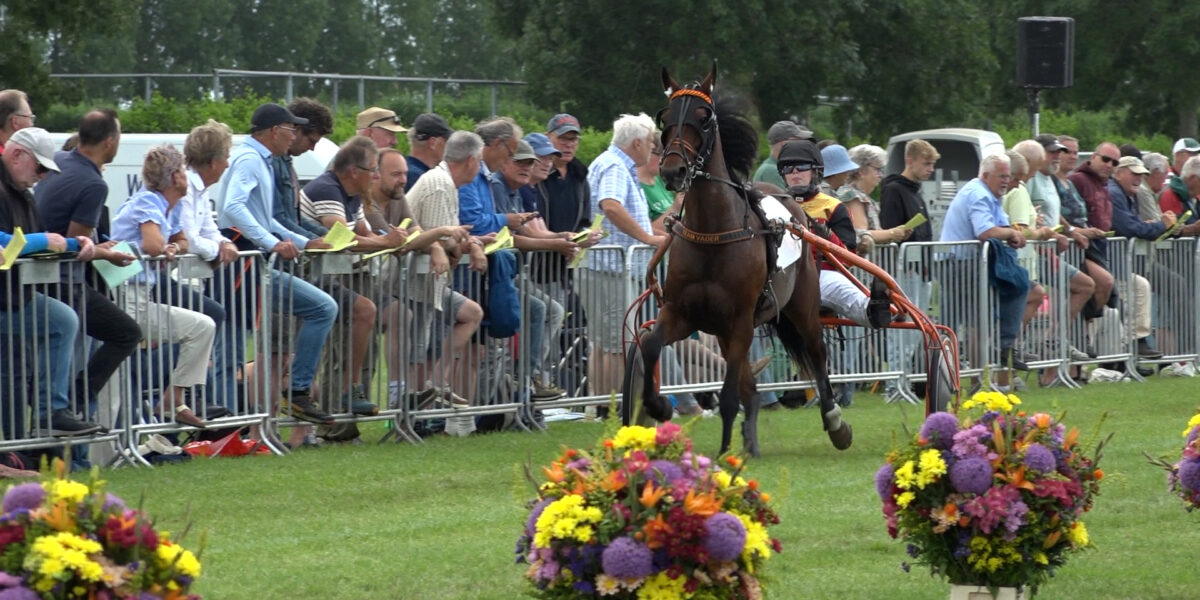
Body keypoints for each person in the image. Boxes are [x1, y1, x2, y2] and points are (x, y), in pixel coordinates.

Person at [216, 102, 337, 425]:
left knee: (232, 346)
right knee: (229, 348)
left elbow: (265, 218)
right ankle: (230, 426)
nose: (293, 135)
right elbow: (234, 207)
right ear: (274, 131)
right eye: (290, 129)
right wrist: (272, 243)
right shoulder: (250, 160)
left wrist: (304, 242)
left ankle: (283, 399)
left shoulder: (259, 159)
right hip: (242, 263)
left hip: (251, 262)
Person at [34, 109, 143, 412]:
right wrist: (110, 253)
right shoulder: (94, 184)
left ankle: (67, 403)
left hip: (42, 275)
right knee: (128, 333)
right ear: (110, 141)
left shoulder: (62, 160)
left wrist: (99, 246)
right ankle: (79, 398)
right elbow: (78, 246)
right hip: (65, 283)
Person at [0, 126, 104, 437]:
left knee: (62, 320)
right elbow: (9, 243)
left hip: (13, 298)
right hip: (7, 300)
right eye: (41, 167)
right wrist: (42, 240)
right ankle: (48, 413)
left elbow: (43, 241)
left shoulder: (21, 194)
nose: (43, 176)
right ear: (18, 154)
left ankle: (51, 412)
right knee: (62, 321)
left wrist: (78, 245)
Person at [110, 144, 216, 428]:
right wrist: (167, 248)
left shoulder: (173, 204)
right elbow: (152, 244)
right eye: (182, 169)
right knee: (200, 327)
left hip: (140, 294)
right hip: (124, 293)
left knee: (203, 326)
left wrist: (171, 247)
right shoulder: (148, 201)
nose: (186, 174)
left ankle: (173, 399)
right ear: (173, 177)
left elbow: (181, 242)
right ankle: (164, 404)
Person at [407, 130, 489, 436]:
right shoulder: (440, 185)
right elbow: (445, 238)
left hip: (430, 282)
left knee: (470, 313)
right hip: (416, 282)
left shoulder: (446, 183)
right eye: (479, 161)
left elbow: (455, 236)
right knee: (417, 347)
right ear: (470, 161)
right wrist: (467, 246)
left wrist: (473, 243)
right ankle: (414, 415)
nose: (480, 168)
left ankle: (435, 387)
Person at [585, 113, 666, 397]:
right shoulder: (616, 167)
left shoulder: (613, 164)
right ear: (636, 143)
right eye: (649, 142)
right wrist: (647, 238)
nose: (652, 146)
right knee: (615, 344)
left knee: (604, 343)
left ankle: (600, 407)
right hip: (610, 268)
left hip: (607, 268)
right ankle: (616, 407)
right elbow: (611, 206)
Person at [776, 140, 891, 329]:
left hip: (821, 275)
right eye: (789, 169)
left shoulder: (833, 207)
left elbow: (848, 259)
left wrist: (828, 235)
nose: (795, 173)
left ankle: (871, 311)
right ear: (783, 174)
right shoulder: (773, 204)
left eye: (802, 167)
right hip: (782, 274)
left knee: (842, 290)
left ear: (815, 171)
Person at [490, 140, 573, 400]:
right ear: (504, 162)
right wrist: (556, 244)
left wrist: (565, 238)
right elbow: (507, 238)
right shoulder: (497, 186)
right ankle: (521, 379)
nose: (526, 168)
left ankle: (526, 377)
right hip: (493, 274)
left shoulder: (516, 190)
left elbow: (524, 230)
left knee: (549, 310)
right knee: (539, 309)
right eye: (520, 162)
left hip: (508, 273)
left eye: (529, 163)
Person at [939, 152, 1031, 376]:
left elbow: (999, 227)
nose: (1006, 182)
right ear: (986, 175)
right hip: (959, 264)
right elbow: (986, 231)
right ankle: (976, 378)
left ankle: (1001, 350)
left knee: (1018, 286)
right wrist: (1011, 232)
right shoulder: (979, 195)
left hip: (968, 263)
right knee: (975, 323)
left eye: (1008, 177)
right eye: (1001, 176)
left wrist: (1010, 232)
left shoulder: (990, 195)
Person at [177, 120, 240, 414]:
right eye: (226, 158)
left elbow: (208, 228)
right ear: (214, 161)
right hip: (171, 275)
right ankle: (186, 396)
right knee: (210, 317)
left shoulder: (198, 189)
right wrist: (219, 248)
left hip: (188, 276)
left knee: (208, 319)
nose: (227, 164)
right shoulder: (187, 188)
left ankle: (190, 395)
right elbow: (190, 238)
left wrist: (223, 244)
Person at [1108, 156, 1186, 358]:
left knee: (1136, 292)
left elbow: (1136, 225)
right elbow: (1129, 228)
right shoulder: (1116, 193)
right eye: (1134, 173)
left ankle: (1134, 349)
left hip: (1119, 261)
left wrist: (1153, 226)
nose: (1138, 178)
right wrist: (1162, 226)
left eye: (1141, 174)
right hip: (1111, 261)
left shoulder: (1128, 194)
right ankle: (1135, 345)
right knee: (1137, 290)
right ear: (1119, 173)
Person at [273, 98, 333, 239]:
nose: (312, 148)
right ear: (296, 130)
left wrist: (325, 235)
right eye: (311, 141)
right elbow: (278, 219)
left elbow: (295, 219)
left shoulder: (285, 163)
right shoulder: (273, 163)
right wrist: (313, 240)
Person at [842, 144, 910, 251]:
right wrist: (893, 233)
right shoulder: (853, 197)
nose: (881, 175)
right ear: (862, 170)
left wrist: (897, 233)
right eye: (878, 170)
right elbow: (862, 235)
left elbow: (874, 234)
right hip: (858, 264)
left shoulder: (863, 197)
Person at [752, 120, 813, 190]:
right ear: (785, 145)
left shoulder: (775, 168)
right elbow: (785, 200)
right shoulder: (772, 171)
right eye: (798, 142)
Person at [405, 113, 453, 191]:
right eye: (446, 140)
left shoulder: (404, 170)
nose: (449, 146)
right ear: (433, 143)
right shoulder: (422, 179)